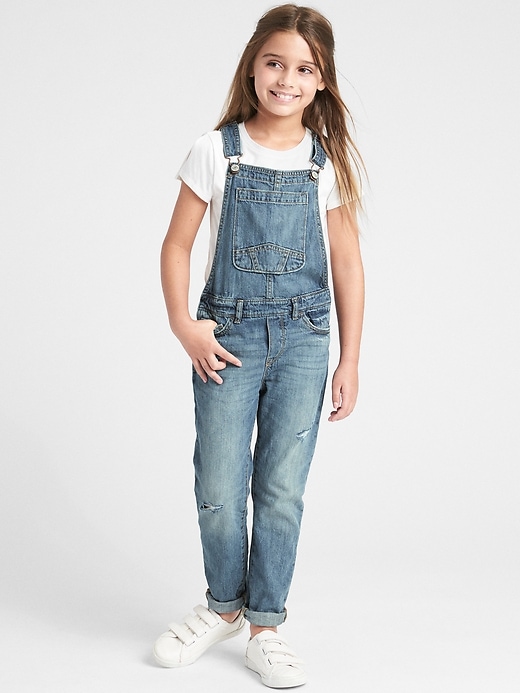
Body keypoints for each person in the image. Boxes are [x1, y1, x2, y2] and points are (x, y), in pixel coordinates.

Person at [153, 4, 365, 688]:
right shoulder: (216, 150)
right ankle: (223, 605)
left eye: (305, 69)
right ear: (252, 66)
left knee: (280, 490)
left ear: (322, 81)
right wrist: (184, 324)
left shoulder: (324, 163)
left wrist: (350, 357)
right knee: (219, 485)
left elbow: (347, 263)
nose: (287, 79)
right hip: (229, 338)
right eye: (275, 63)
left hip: (305, 341)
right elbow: (177, 245)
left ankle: (265, 626)